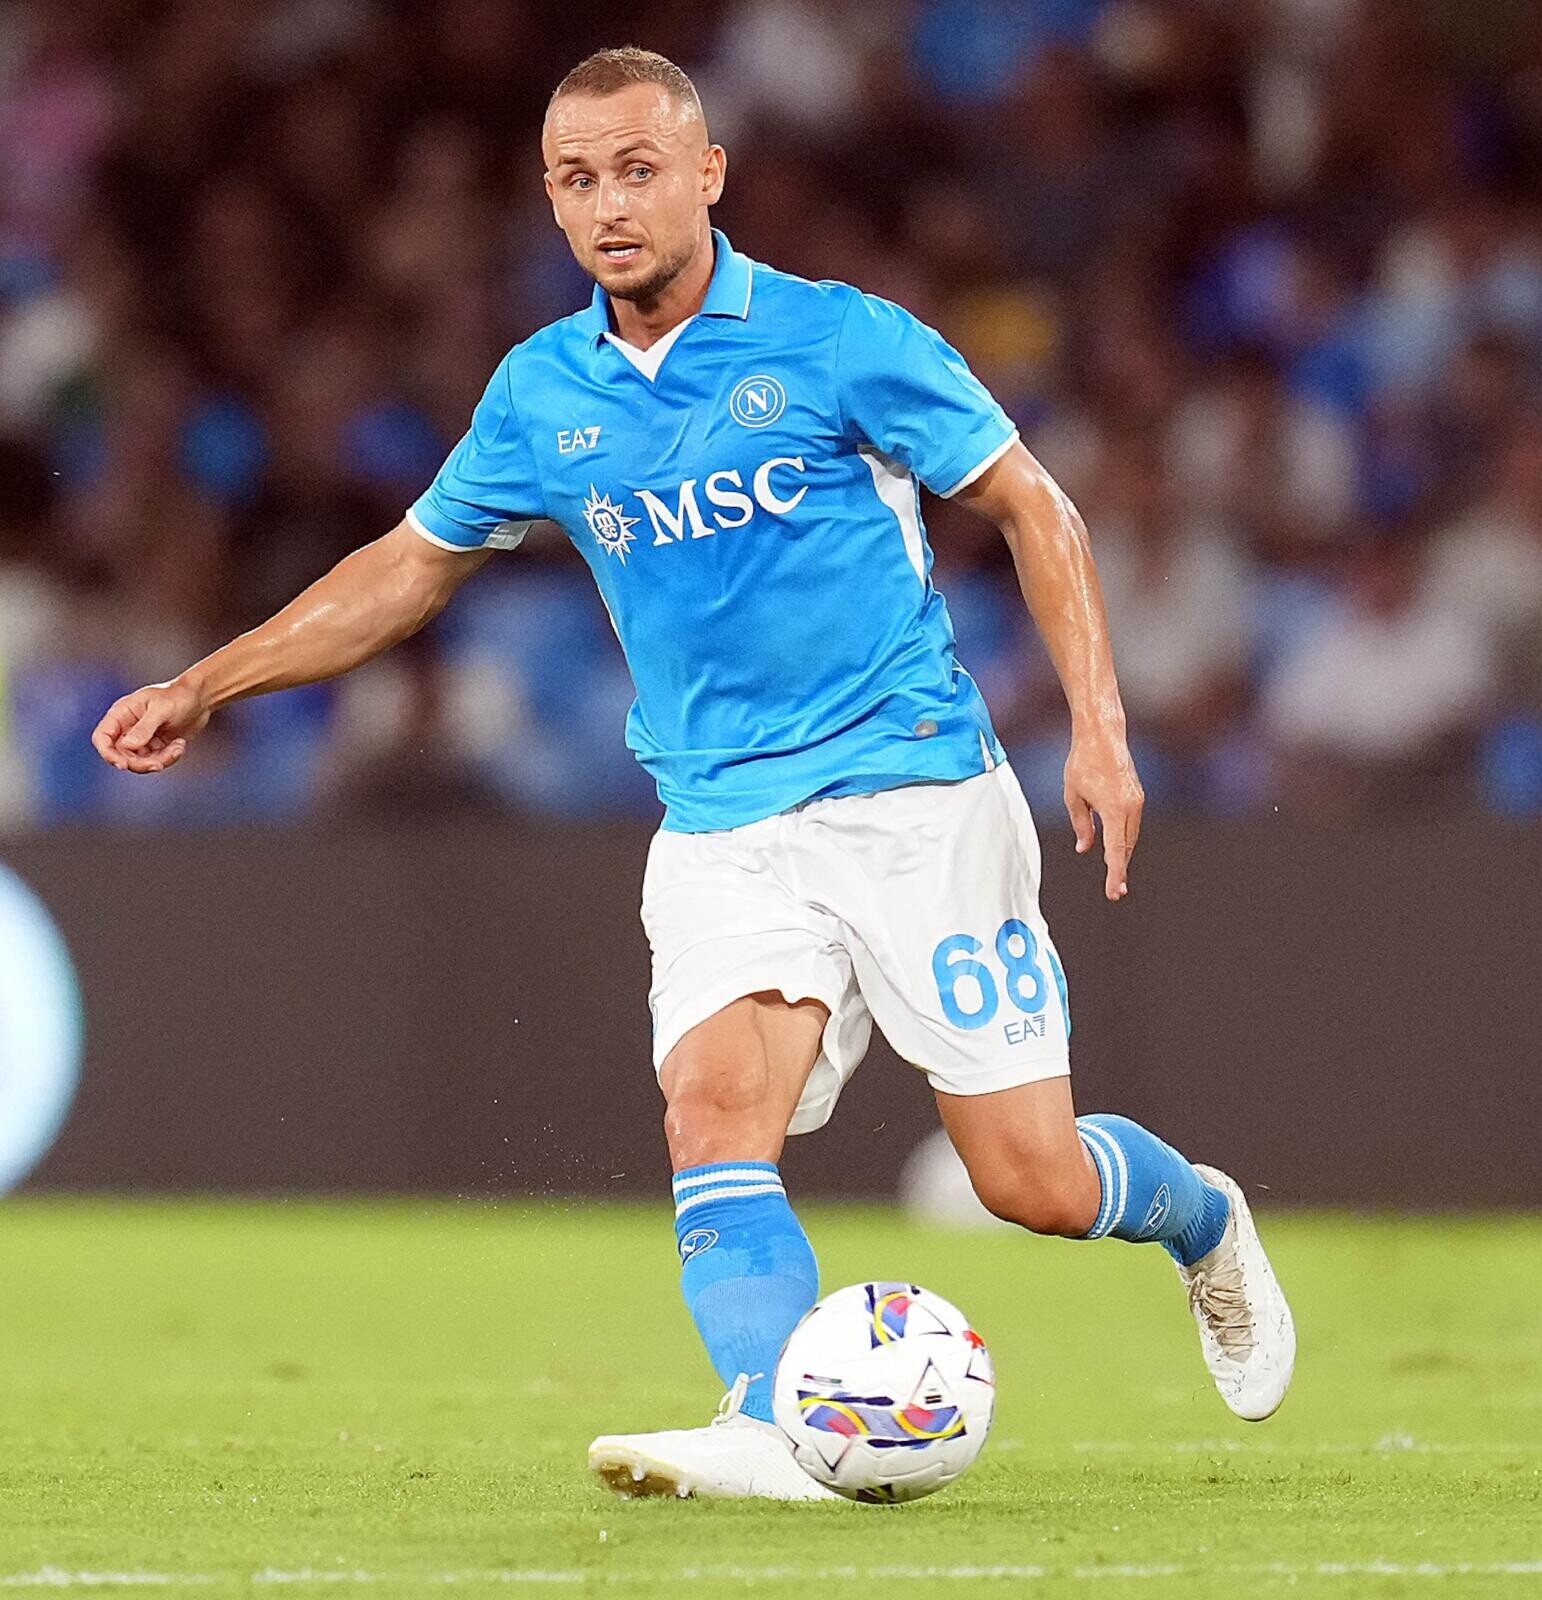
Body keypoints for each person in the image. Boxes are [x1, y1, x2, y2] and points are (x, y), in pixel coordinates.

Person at [91, 47, 1294, 1501]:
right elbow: (408, 567)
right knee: (714, 1111)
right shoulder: (541, 392)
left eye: (638, 169)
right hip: (722, 820)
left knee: (1027, 1181)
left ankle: (1200, 1219)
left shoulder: (839, 338)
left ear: (709, 175)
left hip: (912, 793)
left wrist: (1098, 728)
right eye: (576, 180)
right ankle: (766, 1420)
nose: (608, 204)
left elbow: (1034, 508)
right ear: (550, 202)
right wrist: (206, 682)